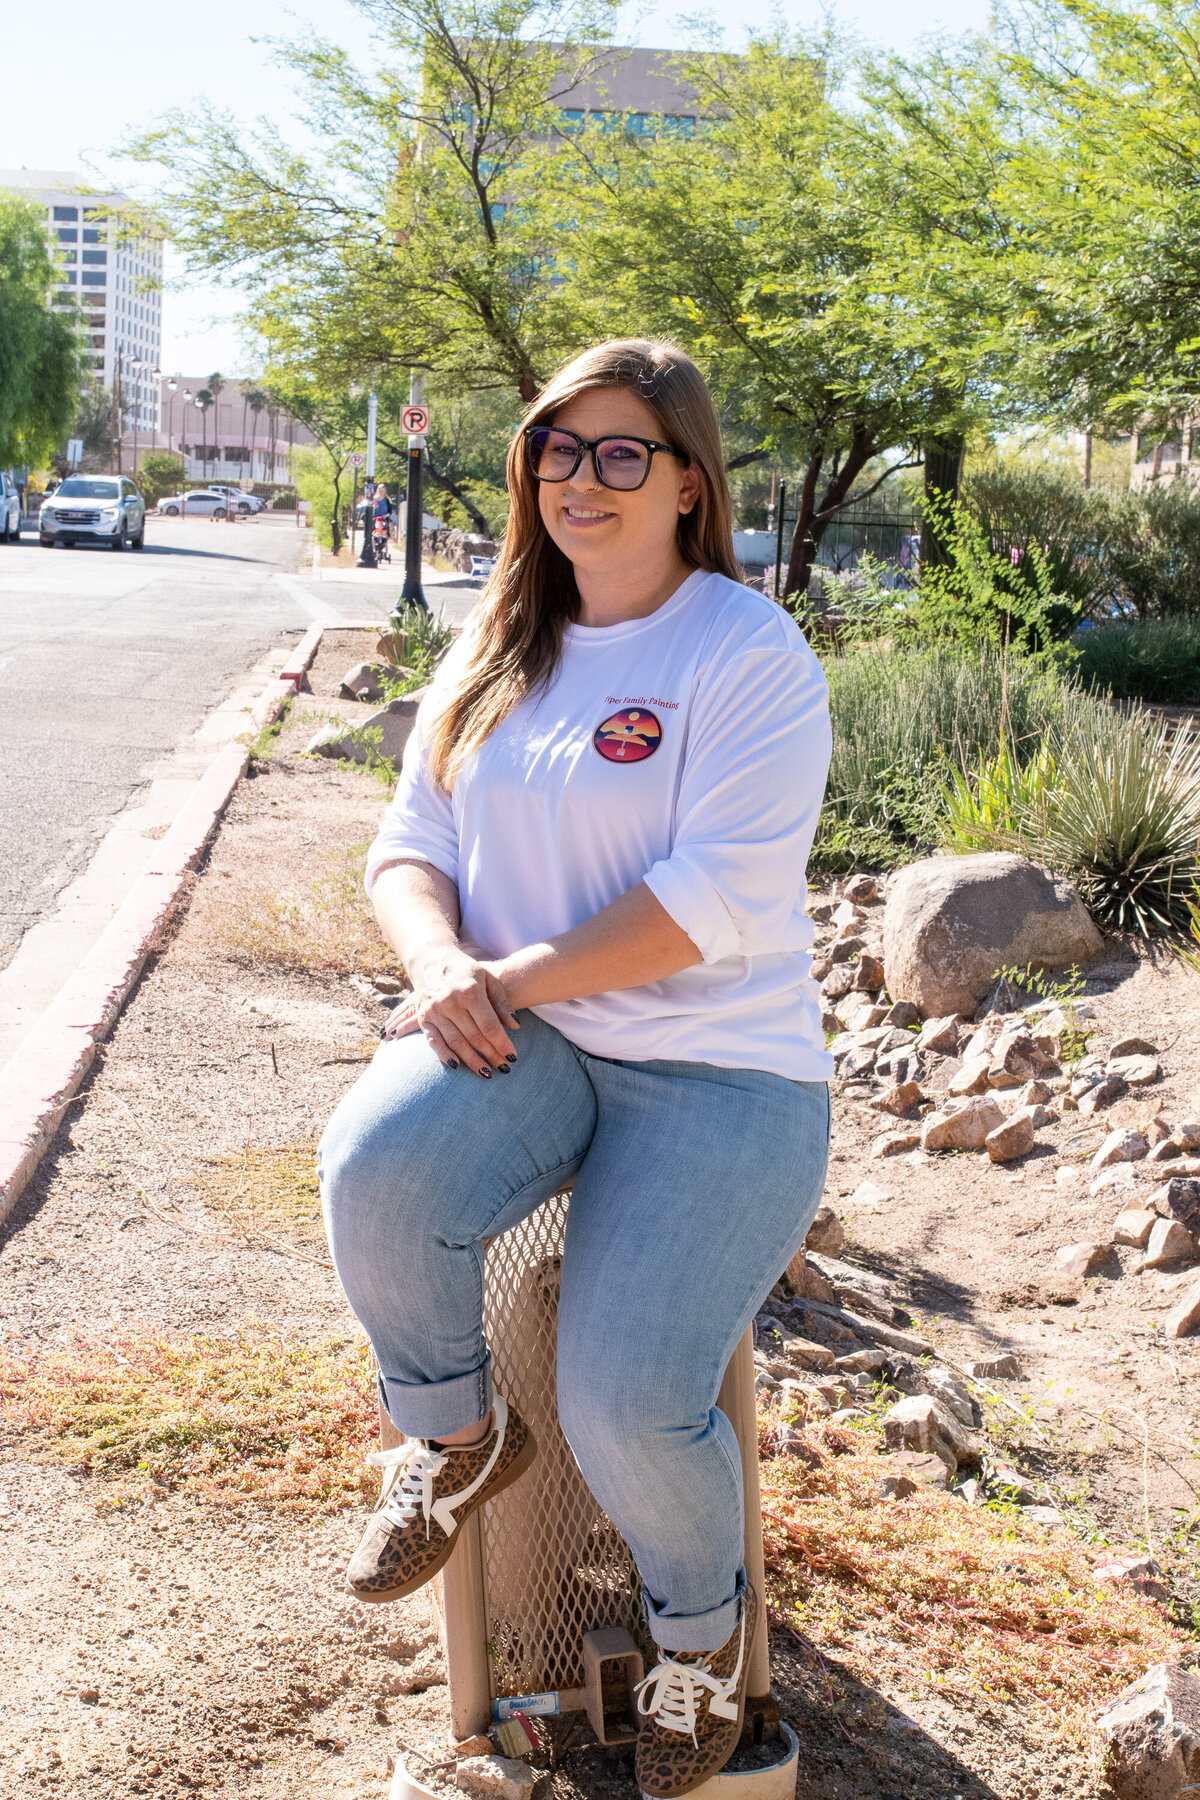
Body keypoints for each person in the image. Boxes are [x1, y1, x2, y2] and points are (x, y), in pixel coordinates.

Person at [319, 338, 832, 1798]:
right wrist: (439, 972)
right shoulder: (494, 650)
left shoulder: (744, 650)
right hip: (528, 1035)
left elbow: (707, 901)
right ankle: (455, 1434)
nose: (583, 480)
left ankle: (696, 1647)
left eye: (623, 454)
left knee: (627, 1400)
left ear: (687, 483)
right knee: (375, 1168)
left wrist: (501, 981)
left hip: (722, 1075)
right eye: (560, 450)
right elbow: (407, 848)